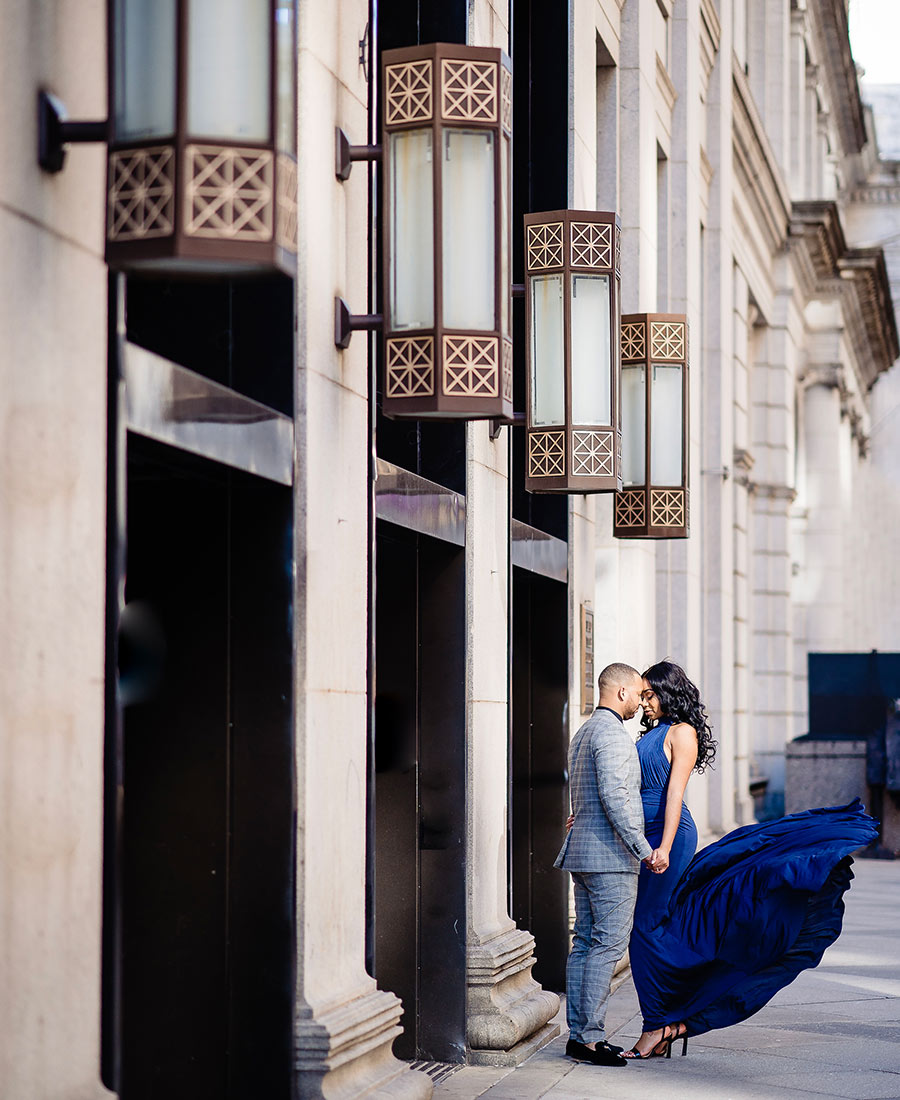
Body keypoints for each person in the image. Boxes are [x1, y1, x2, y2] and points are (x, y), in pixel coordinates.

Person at [621, 660, 878, 1060]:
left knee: (646, 930)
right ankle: (666, 1021)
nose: (643, 703)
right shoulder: (650, 734)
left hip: (669, 835)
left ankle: (659, 1025)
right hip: (645, 836)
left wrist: (667, 847)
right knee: (658, 927)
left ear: (667, 693)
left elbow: (675, 795)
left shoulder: (682, 733)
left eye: (650, 695)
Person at [554, 662, 664, 1068]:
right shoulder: (614, 737)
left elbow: (582, 796)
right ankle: (589, 1038)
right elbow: (618, 800)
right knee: (607, 945)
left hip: (582, 853)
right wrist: (644, 849)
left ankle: (580, 1035)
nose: (639, 701)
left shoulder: (584, 732)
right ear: (620, 693)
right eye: (637, 693)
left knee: (584, 943)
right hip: (611, 858)